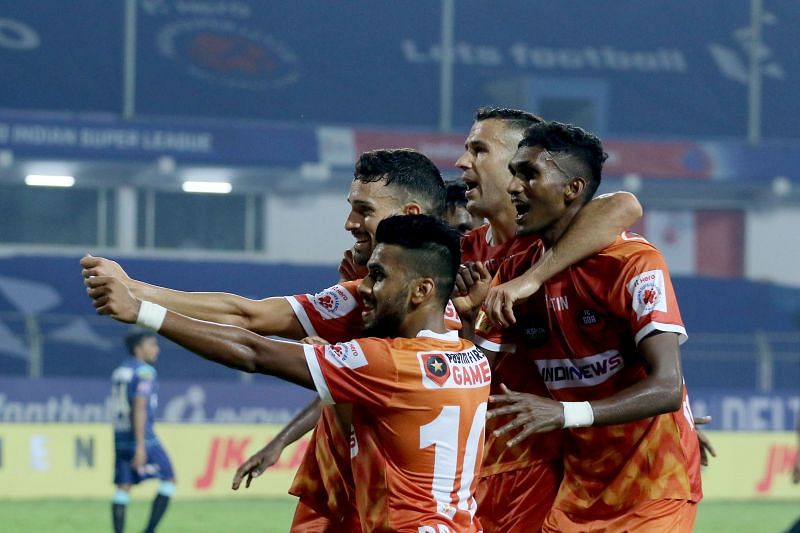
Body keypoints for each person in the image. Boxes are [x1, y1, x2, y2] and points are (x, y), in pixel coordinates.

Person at [87, 214, 490, 533]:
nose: (364, 287)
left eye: (378, 276)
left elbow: (253, 351)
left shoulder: (389, 361)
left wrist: (142, 312)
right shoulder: (471, 357)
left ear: (420, 290)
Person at [476, 121, 702, 531]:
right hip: (577, 492)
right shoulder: (515, 270)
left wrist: (563, 412)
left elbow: (667, 386)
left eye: (529, 174)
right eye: (513, 173)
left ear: (573, 189)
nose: (514, 187)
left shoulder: (632, 263)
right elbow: (476, 371)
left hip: (652, 487)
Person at [454, 107, 643, 533]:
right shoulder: (461, 256)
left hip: (541, 463)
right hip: (476, 462)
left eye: (479, 150)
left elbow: (624, 205)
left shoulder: (554, 247)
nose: (462, 162)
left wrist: (529, 281)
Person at [110, 330, 175, 533]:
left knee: (123, 486)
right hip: (142, 438)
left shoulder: (121, 371)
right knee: (169, 479)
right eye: (152, 345)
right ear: (139, 348)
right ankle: (149, 531)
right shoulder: (145, 372)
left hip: (120, 436)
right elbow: (139, 406)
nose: (157, 349)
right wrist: (140, 446)